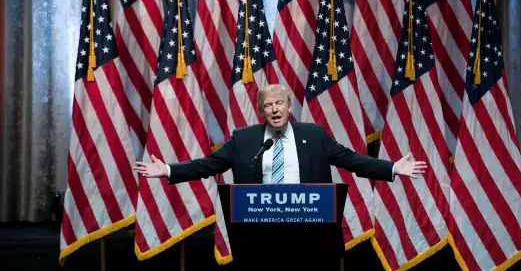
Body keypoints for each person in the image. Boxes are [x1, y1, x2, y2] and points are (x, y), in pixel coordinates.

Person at [134, 84, 427, 184]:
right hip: (259, 229)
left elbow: (351, 160)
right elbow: (207, 165)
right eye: (268, 106)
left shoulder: (314, 136)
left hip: (308, 227)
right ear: (261, 111)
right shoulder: (244, 139)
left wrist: (392, 167)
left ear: (289, 106)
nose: (274, 110)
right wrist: (169, 170)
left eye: (279, 104)